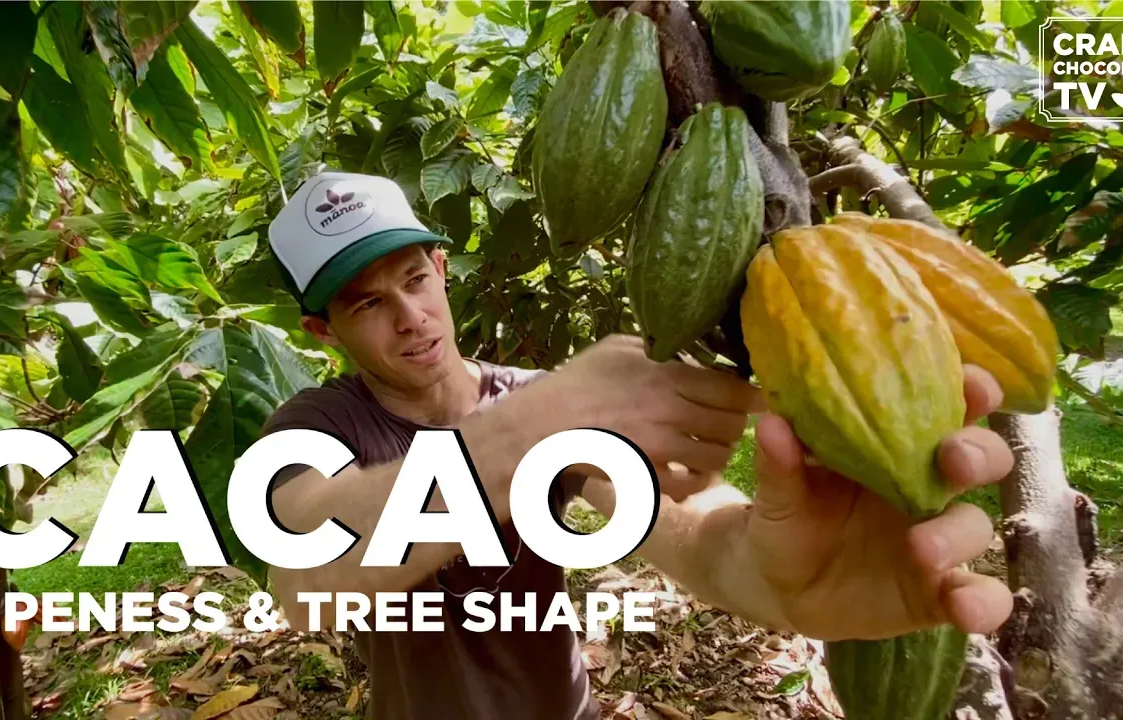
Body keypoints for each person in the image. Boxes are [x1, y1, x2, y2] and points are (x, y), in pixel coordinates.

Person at [259, 170, 1017, 720]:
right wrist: (536, 426)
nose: (410, 316)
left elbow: (691, 531)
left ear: (441, 269)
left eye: (414, 279)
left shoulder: (536, 399)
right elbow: (303, 585)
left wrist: (769, 568)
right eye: (368, 303)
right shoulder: (317, 427)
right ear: (324, 331)